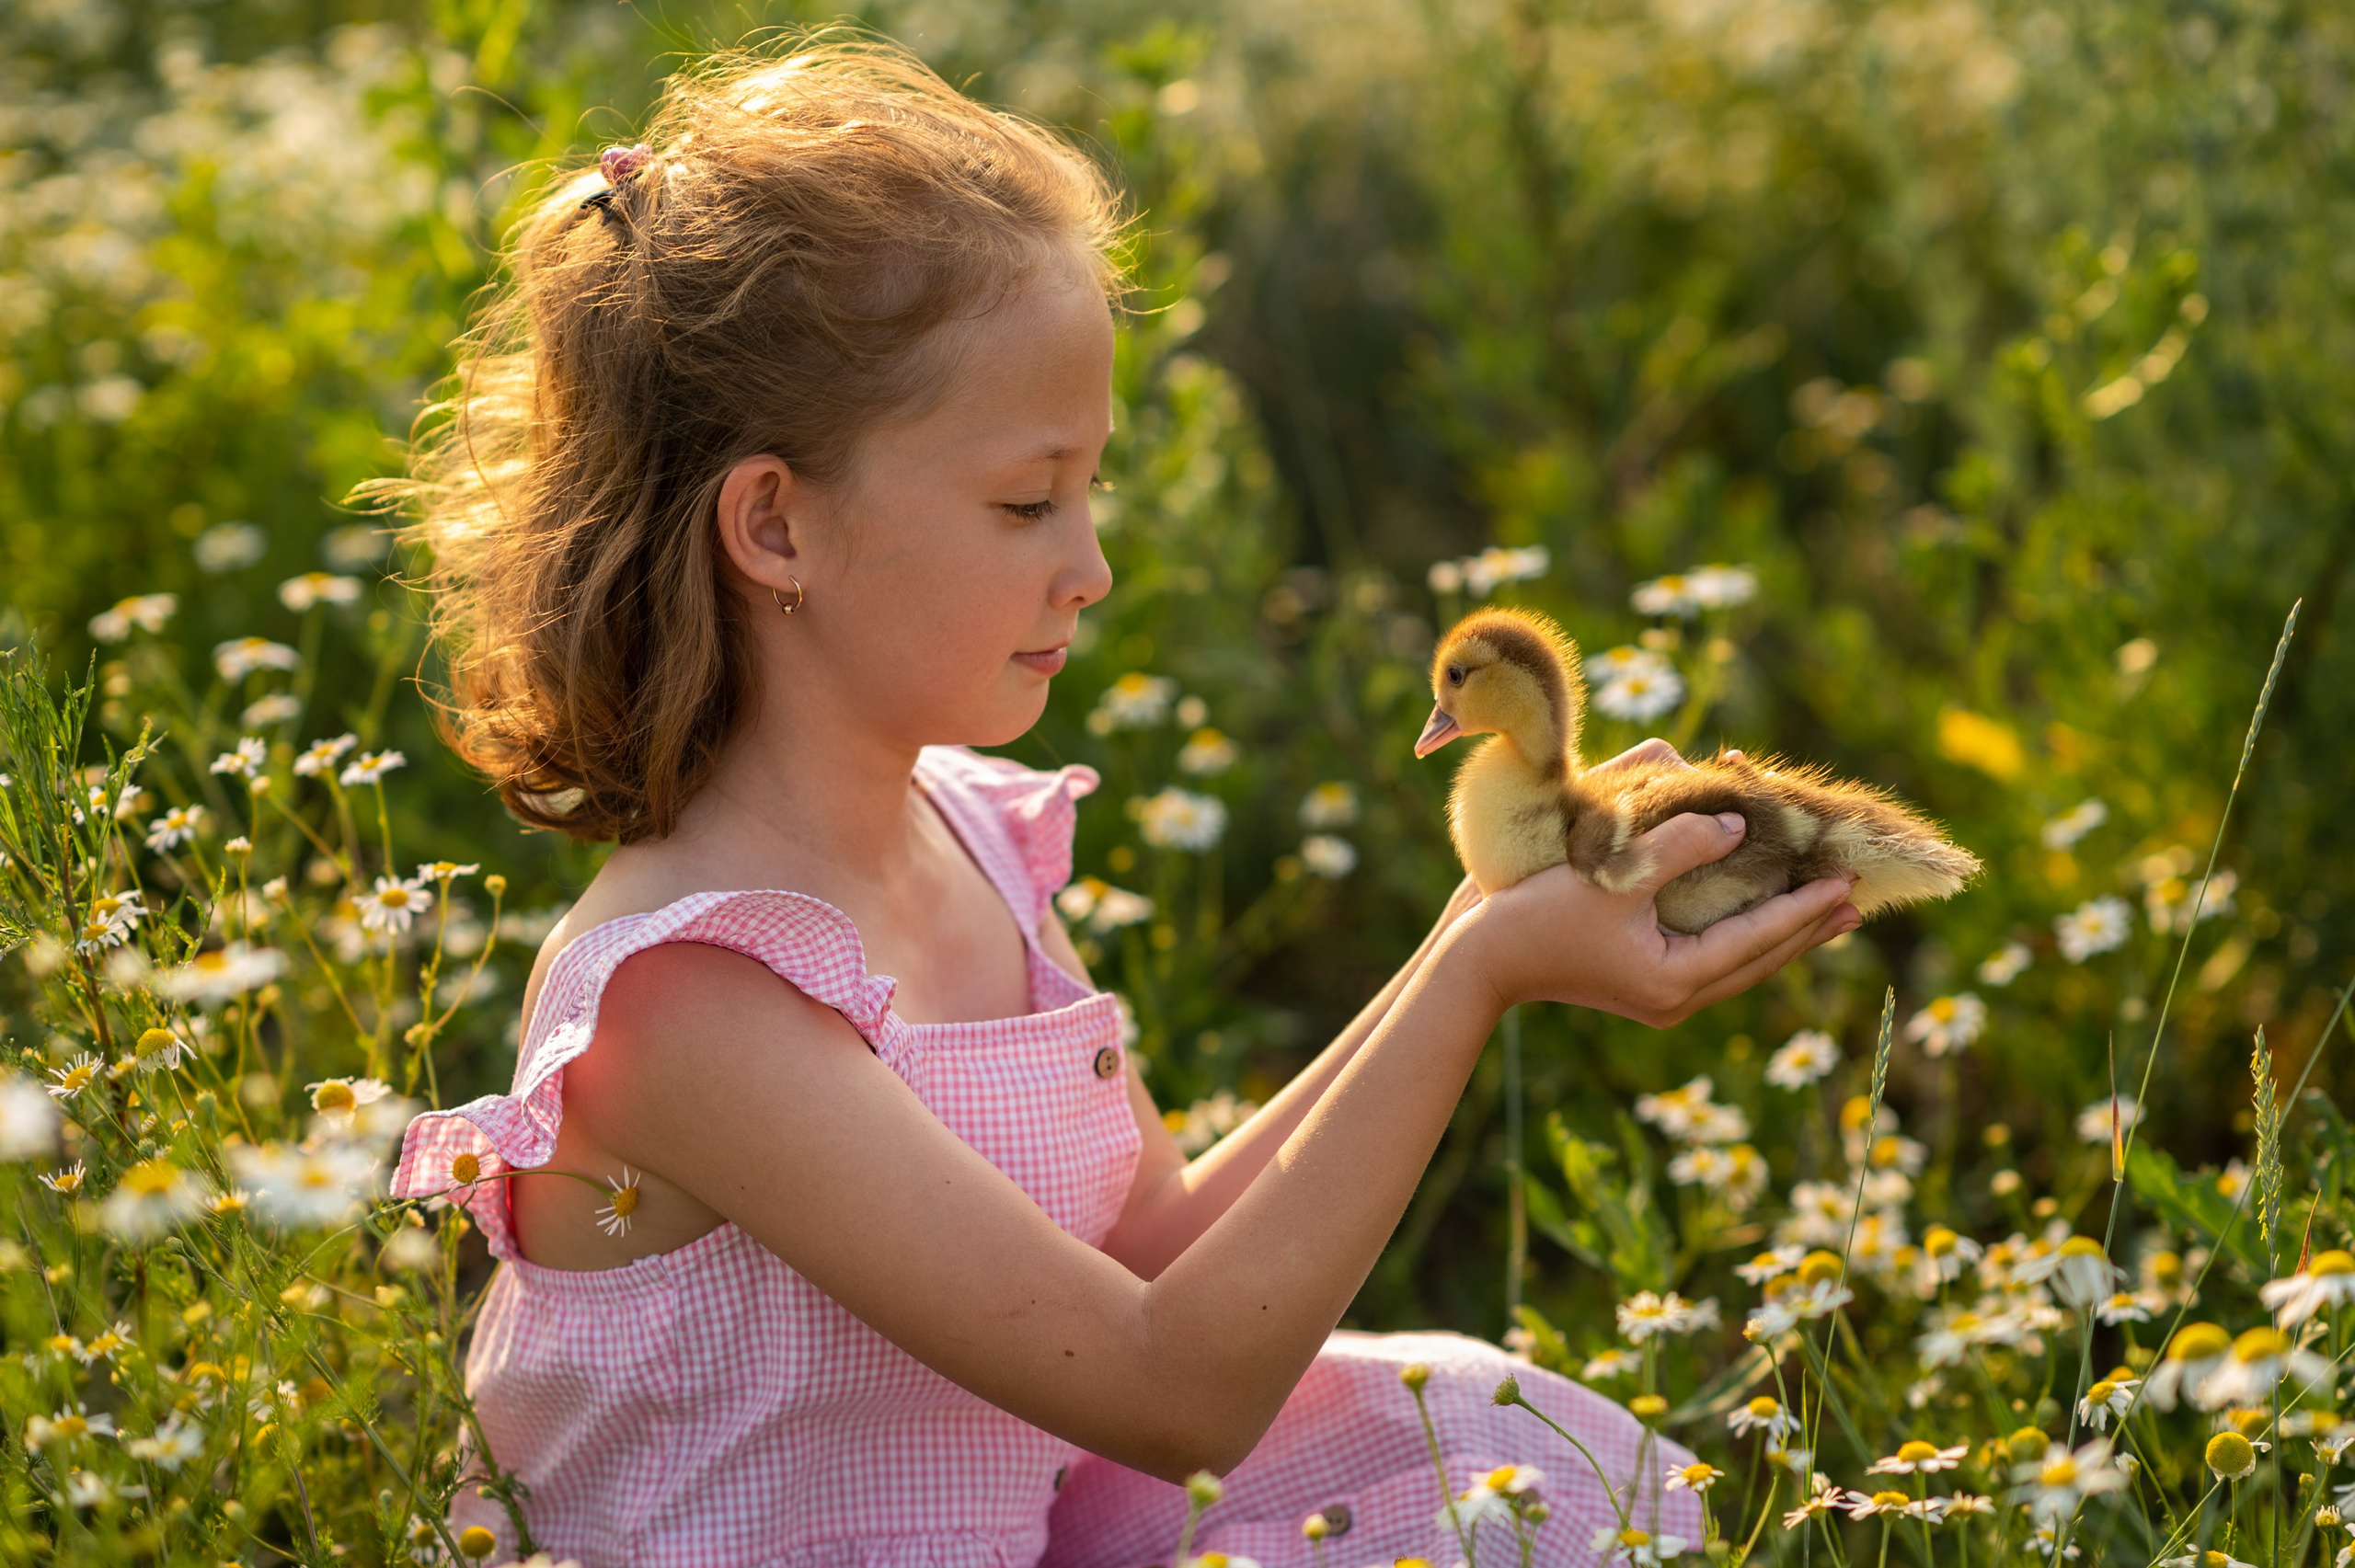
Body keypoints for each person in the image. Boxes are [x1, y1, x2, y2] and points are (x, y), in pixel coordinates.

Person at [385, 36, 1861, 1568]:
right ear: (774, 525)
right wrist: (1480, 980)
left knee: (1473, 1457)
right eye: (1027, 500)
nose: (1087, 564)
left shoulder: (961, 833)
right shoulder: (683, 1006)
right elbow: (1172, 1385)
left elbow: (1148, 1253)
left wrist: (1472, 922)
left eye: (1089, 491)